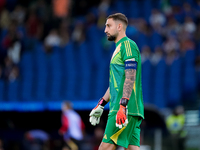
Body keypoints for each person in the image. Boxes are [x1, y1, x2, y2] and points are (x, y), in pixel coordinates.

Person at [89, 13, 144, 150]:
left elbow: (130, 76)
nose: (105, 30)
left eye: (108, 26)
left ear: (119, 27)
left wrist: (123, 106)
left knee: (104, 148)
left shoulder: (128, 45)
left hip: (124, 108)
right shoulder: (119, 48)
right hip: (127, 108)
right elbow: (117, 84)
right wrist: (101, 104)